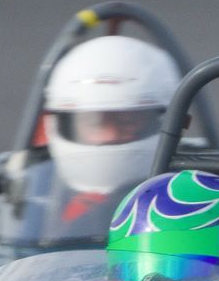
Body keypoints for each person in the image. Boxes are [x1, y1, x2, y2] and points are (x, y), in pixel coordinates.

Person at [40, 34, 182, 198]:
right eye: (95, 123)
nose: (110, 135)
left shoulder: (192, 195)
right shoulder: (36, 196)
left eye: (127, 121)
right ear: (61, 123)